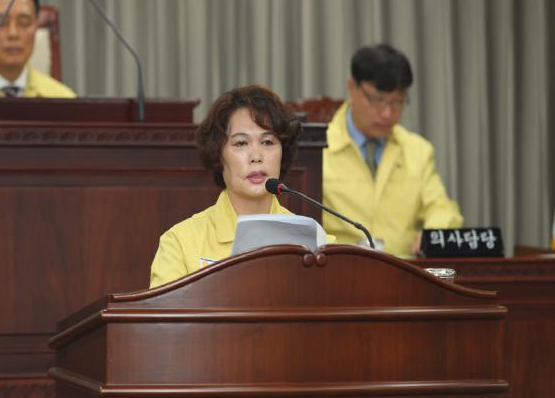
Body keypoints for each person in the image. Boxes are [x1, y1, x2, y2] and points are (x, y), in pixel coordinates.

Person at [150, 85, 303, 288]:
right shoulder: (180, 244)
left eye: (267, 142)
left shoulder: (310, 239)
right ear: (218, 155)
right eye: (241, 143)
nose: (256, 156)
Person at [323, 43, 463, 258]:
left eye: (398, 102)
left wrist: (433, 235)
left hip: (404, 271)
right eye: (377, 100)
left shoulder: (417, 150)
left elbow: (442, 209)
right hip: (338, 271)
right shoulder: (318, 148)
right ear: (352, 87)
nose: (387, 113)